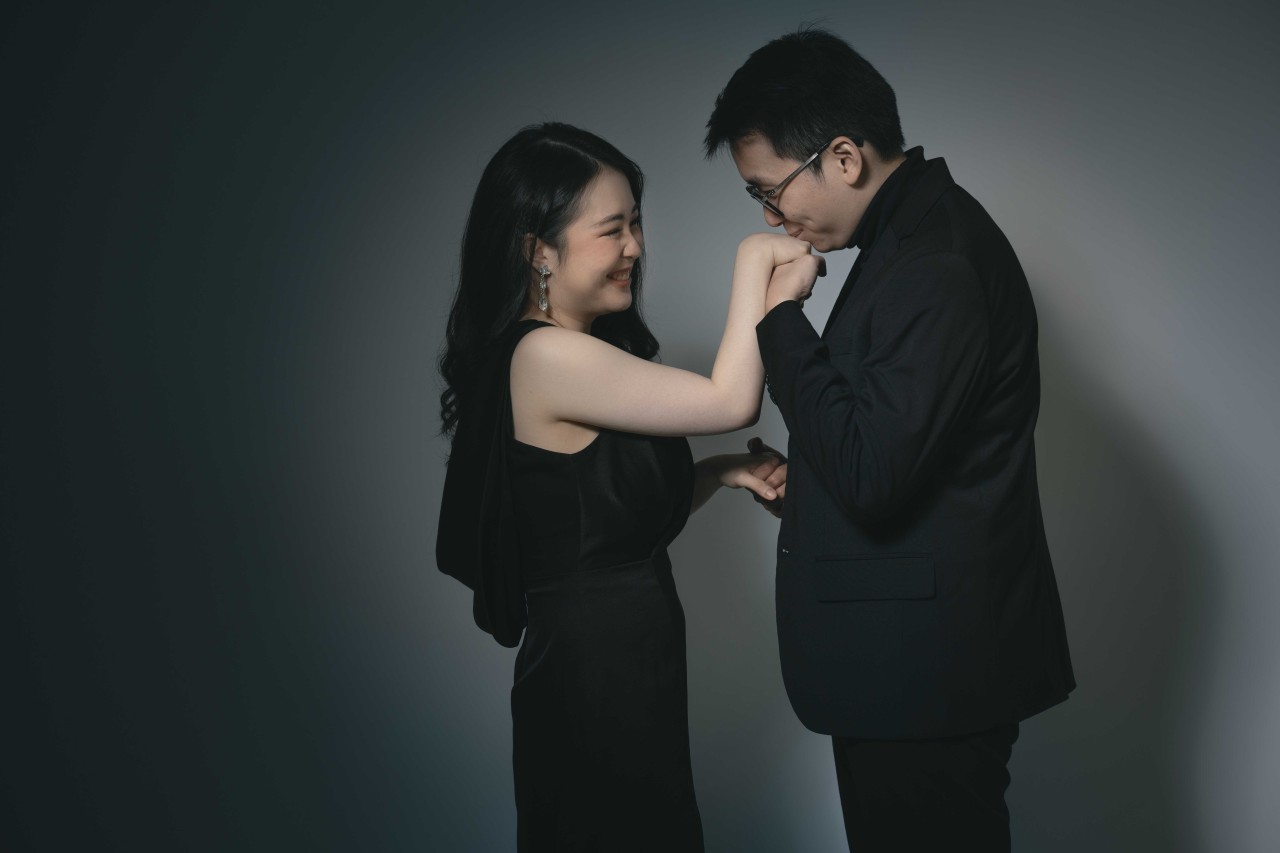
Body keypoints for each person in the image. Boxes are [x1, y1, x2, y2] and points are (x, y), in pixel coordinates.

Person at [704, 29, 1076, 851]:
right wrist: (813, 491)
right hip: (913, 675)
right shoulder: (909, 244)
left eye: (770, 191)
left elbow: (873, 470)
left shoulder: (934, 261)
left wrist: (778, 317)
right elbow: (896, 450)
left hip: (926, 682)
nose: (771, 217)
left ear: (843, 157)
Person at [435, 122, 820, 852]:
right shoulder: (544, 356)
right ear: (538, 250)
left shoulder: (572, 353)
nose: (635, 248)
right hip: (593, 671)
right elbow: (730, 401)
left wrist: (720, 473)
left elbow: (606, 535)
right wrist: (755, 265)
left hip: (622, 657)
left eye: (636, 224)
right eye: (612, 230)